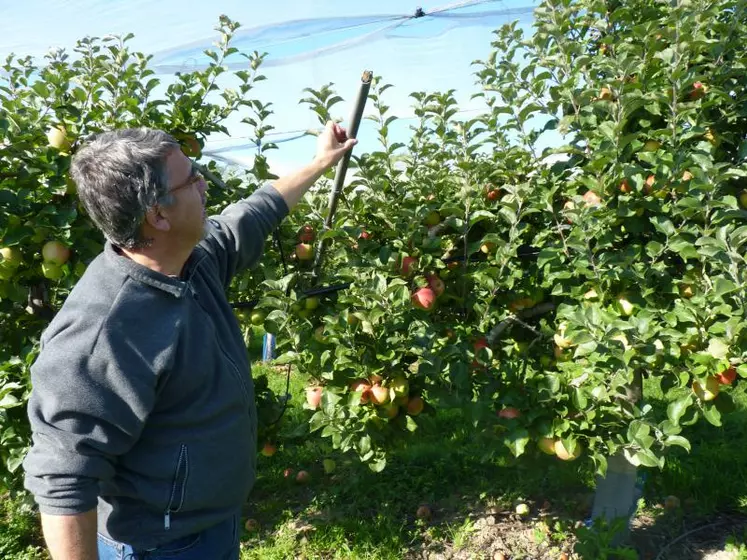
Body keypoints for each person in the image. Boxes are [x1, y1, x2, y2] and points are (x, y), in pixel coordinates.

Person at [21, 122, 357, 560]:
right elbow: (64, 477)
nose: (203, 185)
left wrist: (321, 162)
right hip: (158, 546)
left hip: (210, 524)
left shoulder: (192, 260)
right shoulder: (106, 329)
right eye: (191, 178)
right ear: (157, 215)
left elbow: (256, 212)